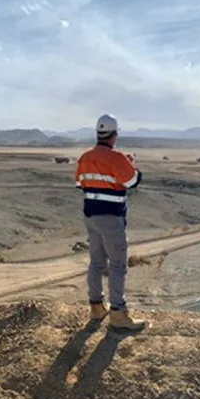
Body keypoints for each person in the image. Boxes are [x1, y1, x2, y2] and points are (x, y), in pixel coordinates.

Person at [74, 114, 147, 332]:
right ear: (114, 135)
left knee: (96, 262)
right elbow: (133, 181)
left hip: (91, 216)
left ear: (98, 134)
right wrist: (130, 164)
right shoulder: (117, 158)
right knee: (117, 265)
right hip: (111, 219)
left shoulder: (85, 157)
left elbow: (80, 183)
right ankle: (118, 313)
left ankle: (96, 307)